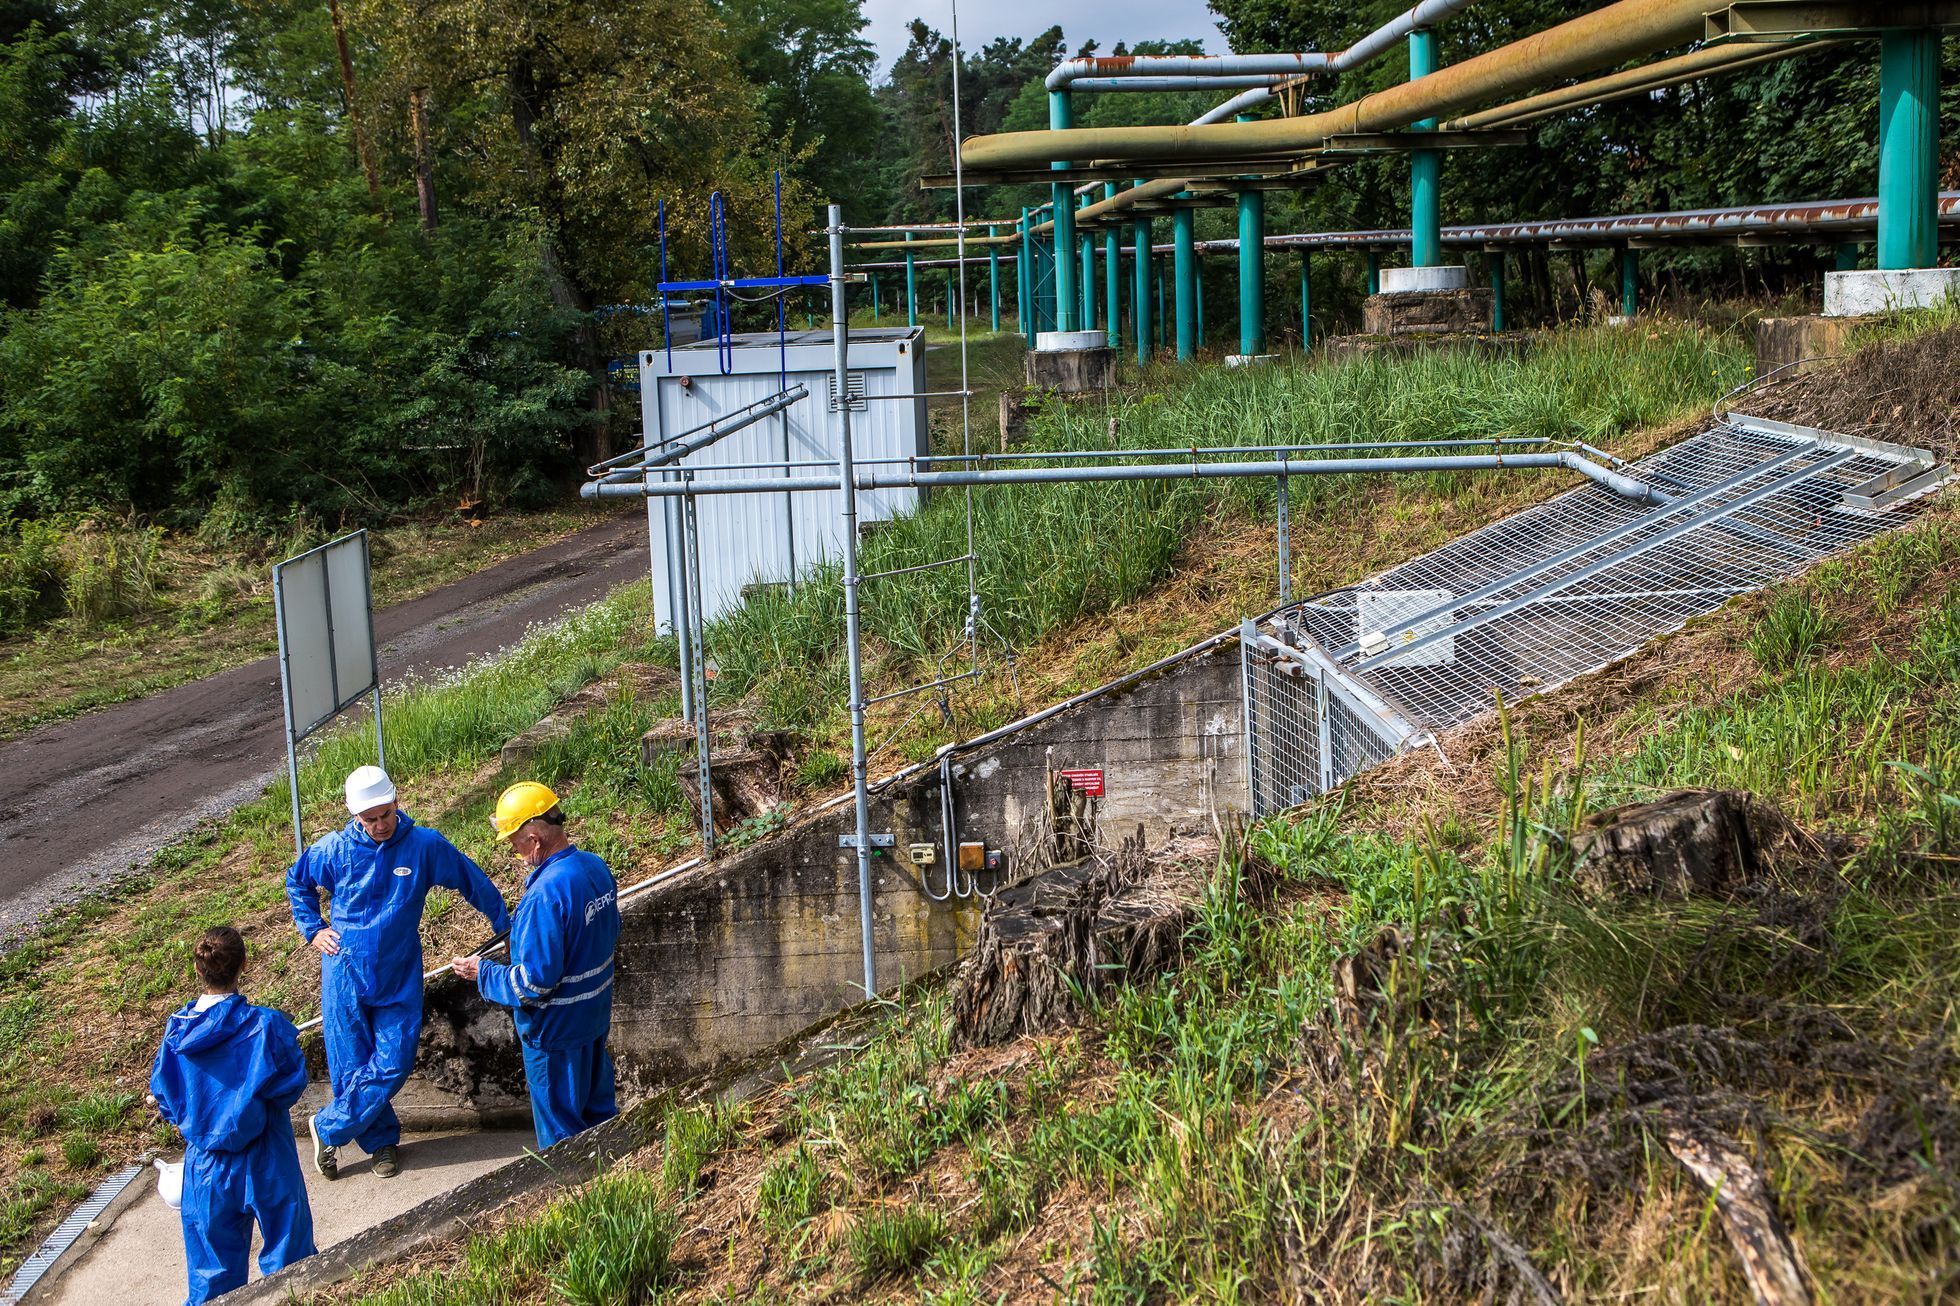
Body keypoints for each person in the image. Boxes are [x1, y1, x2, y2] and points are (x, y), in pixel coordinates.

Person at [286, 765, 510, 1180]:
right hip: (345, 968)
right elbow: (297, 881)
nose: (379, 825)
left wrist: (503, 922)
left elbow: (468, 878)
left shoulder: (423, 845)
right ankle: (381, 1143)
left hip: (399, 968)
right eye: (368, 819)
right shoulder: (333, 850)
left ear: (396, 801)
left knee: (395, 1059)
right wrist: (314, 929)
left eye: (385, 814)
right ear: (353, 816)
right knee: (351, 1064)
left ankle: (329, 1125)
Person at [150, 926, 316, 1305]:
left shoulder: (177, 1034)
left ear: (198, 970)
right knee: (293, 1269)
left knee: (211, 1280)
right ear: (244, 964)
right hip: (265, 1155)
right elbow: (291, 1083)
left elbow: (166, 1098)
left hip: (205, 1164)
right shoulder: (266, 1024)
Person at [452, 781, 621, 1151]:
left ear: (534, 839)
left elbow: (533, 982)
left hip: (555, 1034)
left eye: (515, 844)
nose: (515, 853)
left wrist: (483, 972)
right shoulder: (594, 868)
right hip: (593, 1019)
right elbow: (607, 933)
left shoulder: (545, 895)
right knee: (602, 1121)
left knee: (564, 1140)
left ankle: (578, 1202)